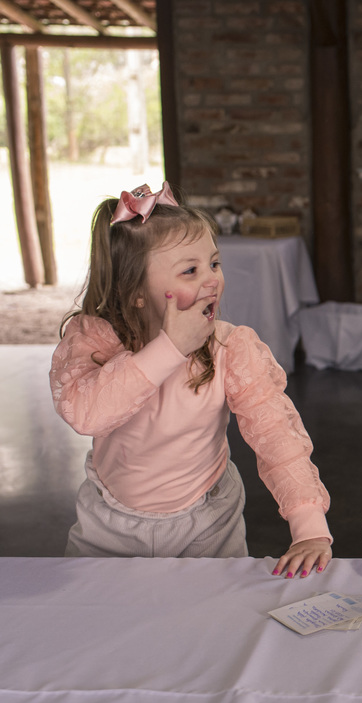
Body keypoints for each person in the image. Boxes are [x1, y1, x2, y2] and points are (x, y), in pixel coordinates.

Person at [50, 182, 332, 578]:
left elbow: (277, 436)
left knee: (211, 623)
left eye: (214, 264)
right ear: (136, 293)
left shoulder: (231, 348)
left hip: (208, 523)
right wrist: (169, 347)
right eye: (191, 270)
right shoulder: (95, 339)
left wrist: (309, 528)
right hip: (110, 526)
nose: (211, 280)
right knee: (97, 618)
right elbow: (86, 414)